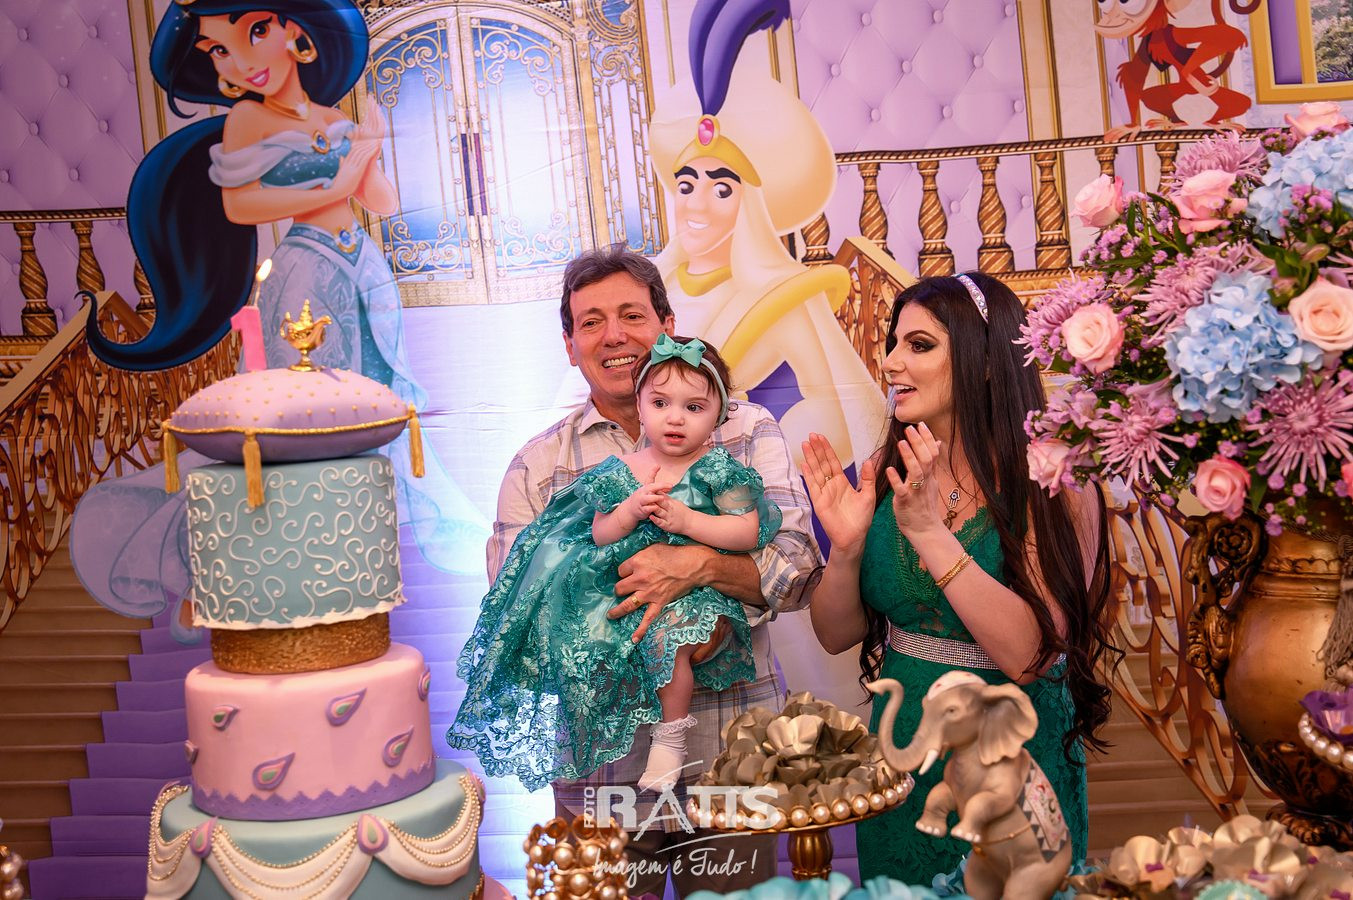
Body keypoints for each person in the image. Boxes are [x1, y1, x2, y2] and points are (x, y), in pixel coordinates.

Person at [73, 0, 486, 606]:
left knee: (379, 392)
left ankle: (369, 531)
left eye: (256, 31)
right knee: (309, 406)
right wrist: (340, 177)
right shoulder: (248, 120)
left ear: (297, 32)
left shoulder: (332, 117)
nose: (240, 61)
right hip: (307, 272)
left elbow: (384, 202)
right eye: (219, 49)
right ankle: (295, 547)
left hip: (362, 264)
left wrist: (368, 150)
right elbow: (241, 206)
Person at [480, 245, 821, 895]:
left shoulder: (744, 430)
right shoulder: (538, 466)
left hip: (729, 764)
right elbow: (518, 608)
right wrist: (625, 608)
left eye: (632, 315)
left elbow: (797, 566)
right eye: (591, 322)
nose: (613, 335)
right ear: (569, 345)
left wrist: (694, 566)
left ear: (667, 325)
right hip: (598, 782)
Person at [801, 272, 1114, 886]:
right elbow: (835, 635)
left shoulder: (1054, 482)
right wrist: (846, 549)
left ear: (987, 361)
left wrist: (929, 533)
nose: (890, 363)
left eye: (919, 345)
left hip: (1011, 761)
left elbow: (1028, 656)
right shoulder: (886, 474)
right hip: (902, 754)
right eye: (893, 343)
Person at [449, 335, 781, 794]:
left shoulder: (719, 469)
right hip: (619, 592)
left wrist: (689, 521)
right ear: (640, 406)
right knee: (593, 634)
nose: (675, 418)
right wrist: (629, 511)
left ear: (719, 415)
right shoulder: (620, 469)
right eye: (660, 403)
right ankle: (606, 728)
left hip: (696, 594)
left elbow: (746, 532)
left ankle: (670, 738)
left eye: (694, 408)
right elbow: (601, 532)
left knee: (670, 641)